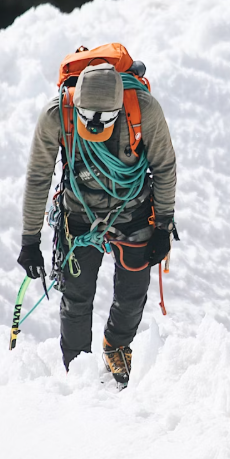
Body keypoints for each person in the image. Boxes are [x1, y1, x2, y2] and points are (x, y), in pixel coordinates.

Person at [18, 58, 177, 385]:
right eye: (87, 116)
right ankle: (77, 370)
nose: (94, 126)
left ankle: (117, 345)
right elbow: (38, 178)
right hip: (78, 217)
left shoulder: (143, 109)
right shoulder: (56, 116)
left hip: (133, 212)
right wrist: (29, 240)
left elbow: (164, 167)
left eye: (104, 118)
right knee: (76, 298)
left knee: (133, 292)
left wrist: (163, 225)